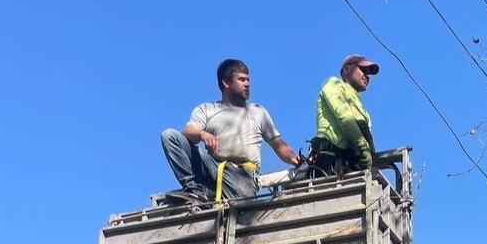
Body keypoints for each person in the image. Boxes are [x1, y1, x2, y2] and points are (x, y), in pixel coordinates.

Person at [161, 58, 301, 202]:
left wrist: (295, 159)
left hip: (242, 175)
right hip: (213, 170)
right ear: (226, 82)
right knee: (169, 136)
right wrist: (202, 134)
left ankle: (212, 196)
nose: (248, 84)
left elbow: (278, 144)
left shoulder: (257, 111)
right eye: (242, 80)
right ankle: (194, 190)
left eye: (248, 80)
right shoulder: (207, 109)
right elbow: (188, 132)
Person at [310, 54, 379, 176]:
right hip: (328, 161)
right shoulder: (333, 84)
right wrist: (363, 147)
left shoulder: (362, 109)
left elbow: (366, 135)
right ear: (347, 69)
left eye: (369, 73)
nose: (367, 76)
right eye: (363, 70)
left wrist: (371, 156)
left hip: (348, 164)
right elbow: (344, 117)